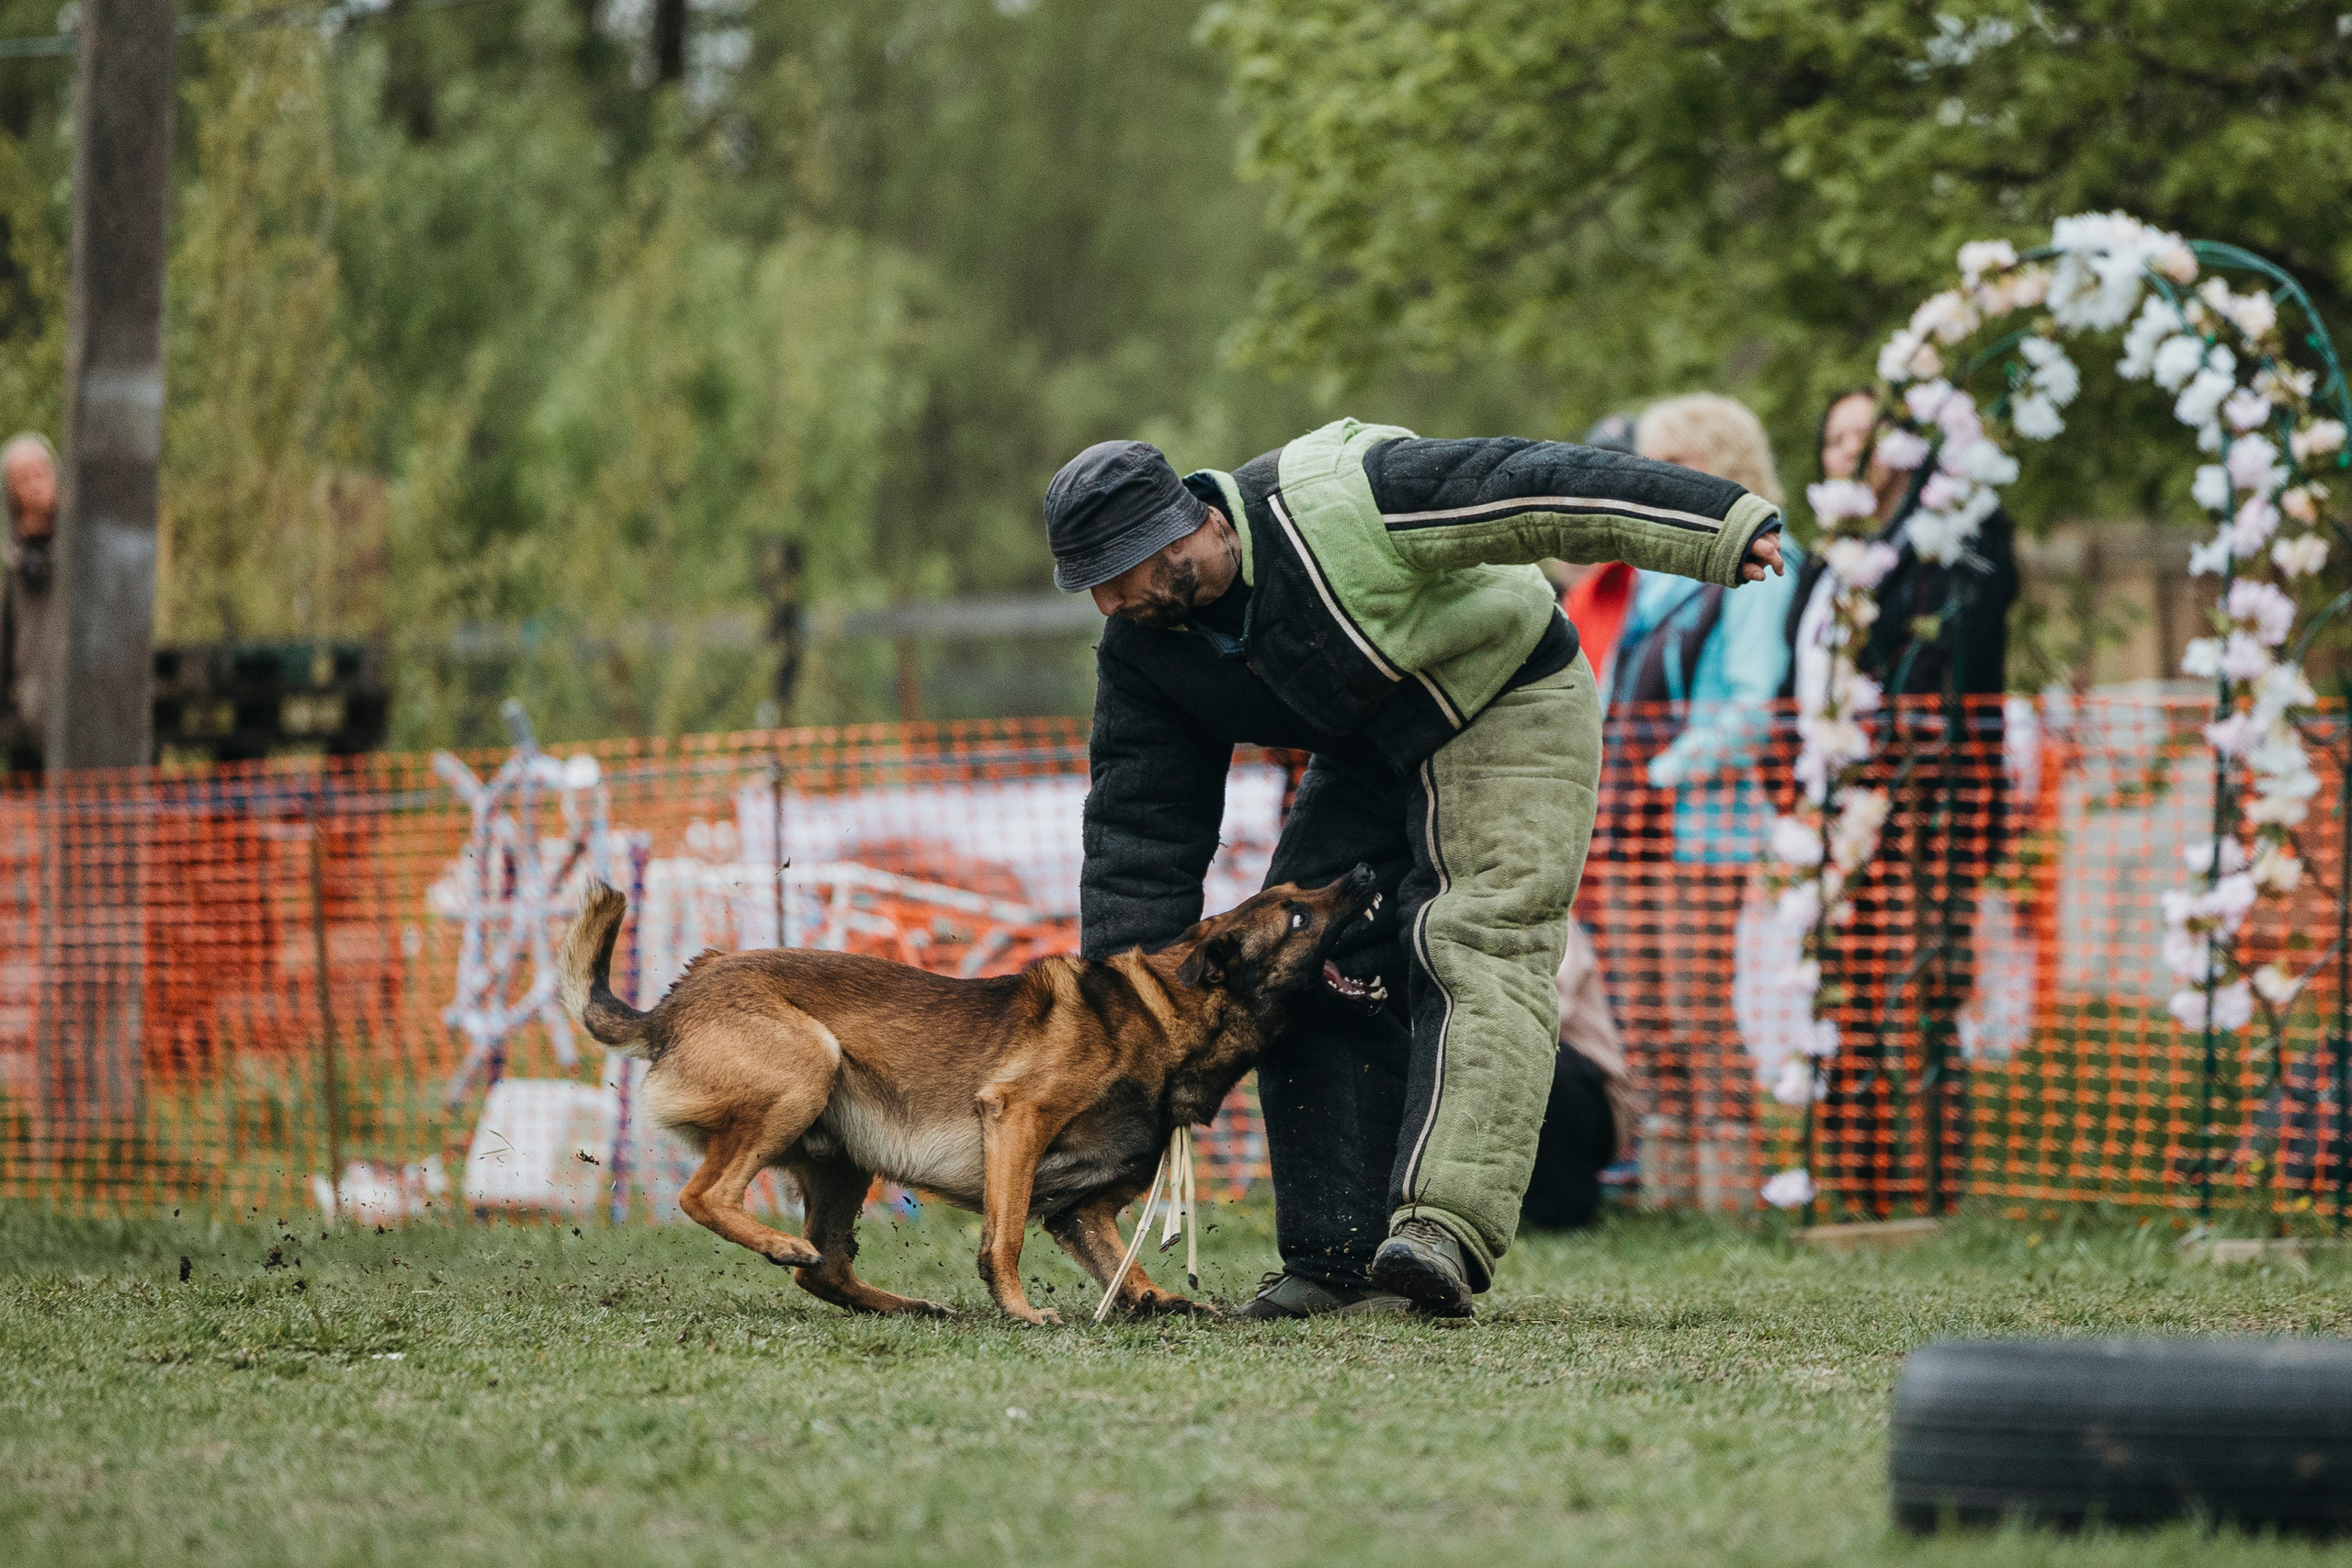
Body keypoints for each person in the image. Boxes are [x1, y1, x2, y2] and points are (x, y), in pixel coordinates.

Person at [1049, 419, 1784, 1316]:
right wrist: (1123, 1023)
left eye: (1123, 572)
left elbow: (1532, 485)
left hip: (1506, 700)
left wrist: (1719, 524)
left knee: (1473, 934)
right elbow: (1138, 832)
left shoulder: (1339, 498)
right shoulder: (1145, 652)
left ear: (1188, 523)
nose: (1112, 602)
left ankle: (1441, 1225)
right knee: (1295, 958)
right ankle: (1333, 1259)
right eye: (1093, 586)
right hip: (1371, 748)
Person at [1785, 389, 2019, 1213]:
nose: (1853, 449)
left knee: (1918, 989)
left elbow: (1961, 646)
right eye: (1837, 436)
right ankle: (1856, 1185)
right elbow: (1797, 682)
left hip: (1926, 803)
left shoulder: (1959, 534)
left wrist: (1888, 765)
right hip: (1830, 808)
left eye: (1869, 434)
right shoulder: (1824, 561)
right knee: (1843, 992)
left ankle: (1925, 1189)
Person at [1598, 396, 1803, 1203]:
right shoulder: (1648, 573)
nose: (1667, 482)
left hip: (1699, 826)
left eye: (1686, 465)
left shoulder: (1764, 566)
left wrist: (1664, 772)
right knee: (1644, 1022)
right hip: (1626, 824)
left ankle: (1729, 1197)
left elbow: (1753, 707)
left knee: (1699, 1015)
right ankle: (1669, 1193)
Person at [0, 433, 57, 773]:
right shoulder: (14, 568)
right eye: (23, 480)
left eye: (40, 474)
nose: (35, 487)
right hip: (31, 721)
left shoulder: (82, 552)